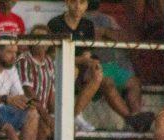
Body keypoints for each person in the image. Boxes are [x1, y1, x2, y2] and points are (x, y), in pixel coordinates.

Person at [48, 0, 155, 132]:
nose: (77, 6)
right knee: (103, 80)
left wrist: (104, 33)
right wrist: (84, 59)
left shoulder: (93, 23)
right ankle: (131, 119)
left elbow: (90, 51)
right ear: (67, 3)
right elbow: (53, 54)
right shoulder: (56, 23)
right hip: (70, 66)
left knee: (129, 81)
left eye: (82, 2)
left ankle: (136, 115)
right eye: (74, 2)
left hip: (93, 65)